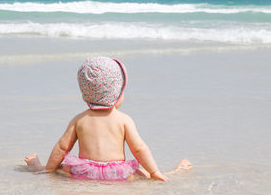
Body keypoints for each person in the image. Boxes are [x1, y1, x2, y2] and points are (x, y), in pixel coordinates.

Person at [25, 56, 191, 181]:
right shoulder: (124, 120)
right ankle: (176, 172)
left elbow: (62, 148)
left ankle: (40, 168)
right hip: (118, 173)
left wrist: (50, 170)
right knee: (145, 174)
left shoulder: (79, 119)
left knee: (60, 169)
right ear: (118, 95)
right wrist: (154, 172)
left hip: (85, 171)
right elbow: (139, 149)